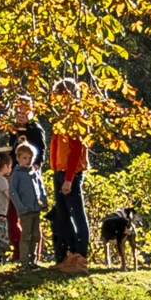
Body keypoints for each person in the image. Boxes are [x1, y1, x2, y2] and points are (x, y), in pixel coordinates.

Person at [47, 77, 92, 275]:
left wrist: (68, 179)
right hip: (59, 170)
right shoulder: (61, 118)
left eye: (62, 96)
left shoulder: (76, 119)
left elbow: (76, 152)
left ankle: (80, 257)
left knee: (77, 215)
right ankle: (68, 257)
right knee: (63, 217)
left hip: (70, 173)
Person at [6, 141, 47, 266]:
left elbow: (40, 188)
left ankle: (33, 260)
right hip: (25, 210)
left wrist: (44, 201)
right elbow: (13, 192)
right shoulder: (16, 174)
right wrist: (20, 207)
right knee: (26, 235)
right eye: (25, 158)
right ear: (18, 158)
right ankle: (24, 260)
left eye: (30, 158)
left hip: (35, 208)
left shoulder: (33, 173)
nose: (28, 161)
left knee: (36, 235)